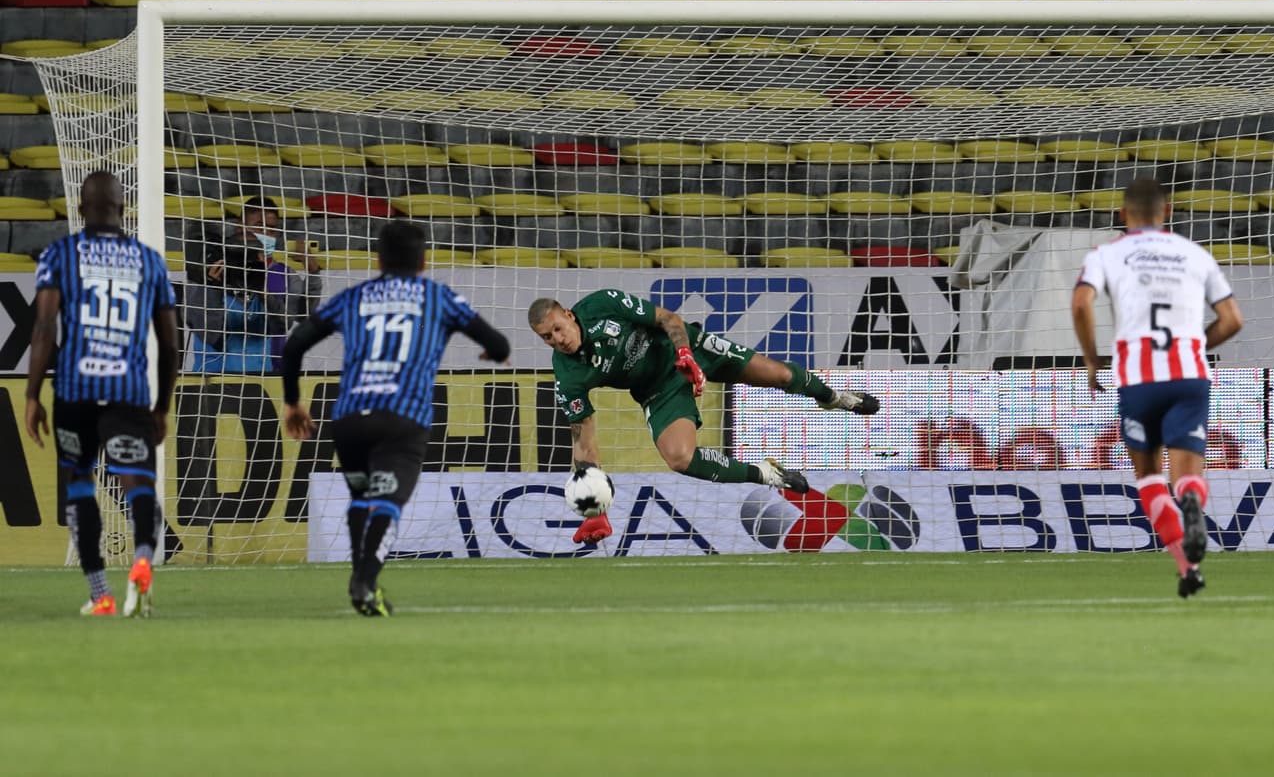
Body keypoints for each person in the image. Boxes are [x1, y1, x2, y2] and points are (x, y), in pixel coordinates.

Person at [280, 220, 510, 616]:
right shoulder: (437, 297)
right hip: (402, 419)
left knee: (361, 496)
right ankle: (364, 581)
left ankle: (361, 578)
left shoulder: (354, 296)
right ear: (423, 262)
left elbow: (294, 345)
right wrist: (492, 351)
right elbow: (499, 344)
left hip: (350, 420)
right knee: (387, 500)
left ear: (378, 261)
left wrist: (292, 403)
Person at [529, 290, 881, 544]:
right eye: (547, 338)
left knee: (781, 376)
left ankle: (834, 398)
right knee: (679, 458)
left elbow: (668, 319)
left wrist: (684, 352)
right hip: (658, 388)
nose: (557, 340)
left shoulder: (603, 304)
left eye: (558, 329)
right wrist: (596, 510)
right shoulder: (569, 376)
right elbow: (583, 441)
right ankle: (767, 473)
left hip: (689, 348)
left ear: (569, 315)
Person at [1072, 177, 1244, 598]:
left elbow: (1080, 303)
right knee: (1186, 477)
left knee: (1149, 477)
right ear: (1166, 212)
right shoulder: (1194, 253)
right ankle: (1191, 501)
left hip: (1139, 379)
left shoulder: (1107, 253)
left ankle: (1187, 568)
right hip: (1189, 376)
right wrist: (1196, 343)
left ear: (1122, 214)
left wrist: (1092, 359)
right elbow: (1233, 320)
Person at [24, 171, 180, 617]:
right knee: (138, 483)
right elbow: (170, 343)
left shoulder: (59, 254)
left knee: (79, 484)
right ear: (123, 210)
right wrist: (162, 406)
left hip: (75, 392)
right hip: (127, 392)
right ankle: (143, 559)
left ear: (80, 209)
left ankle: (100, 595)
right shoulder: (149, 262)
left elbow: (44, 328)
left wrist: (33, 395)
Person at [185, 197, 322, 373]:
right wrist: (211, 287)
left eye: (271, 229)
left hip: (265, 375)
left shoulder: (283, 274)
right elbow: (204, 331)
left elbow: (301, 316)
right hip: (212, 376)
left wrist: (313, 273)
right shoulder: (210, 269)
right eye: (259, 226)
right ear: (240, 227)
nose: (265, 234)